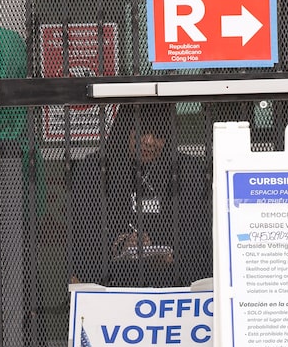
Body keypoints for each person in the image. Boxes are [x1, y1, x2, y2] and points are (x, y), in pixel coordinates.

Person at [69, 104, 211, 287]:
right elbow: (83, 233)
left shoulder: (187, 169)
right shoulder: (95, 168)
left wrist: (166, 251)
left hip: (171, 284)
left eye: (159, 135)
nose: (149, 141)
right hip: (113, 283)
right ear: (126, 129)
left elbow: (197, 232)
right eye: (142, 131)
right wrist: (120, 244)